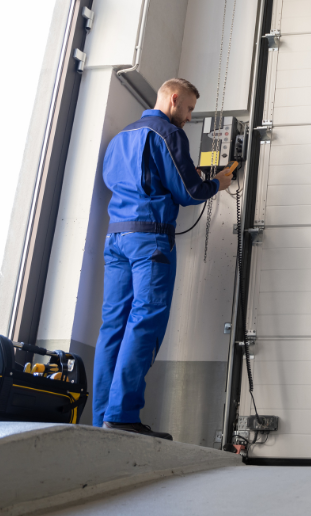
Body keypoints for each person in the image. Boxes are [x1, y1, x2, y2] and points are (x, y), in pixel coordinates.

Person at [93, 78, 232, 439]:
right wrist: (218, 181)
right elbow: (189, 192)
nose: (188, 117)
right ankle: (122, 416)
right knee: (145, 322)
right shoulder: (167, 133)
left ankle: (102, 421)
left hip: (116, 238)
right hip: (149, 241)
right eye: (188, 109)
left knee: (113, 327)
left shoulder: (121, 137)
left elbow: (123, 180)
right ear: (174, 99)